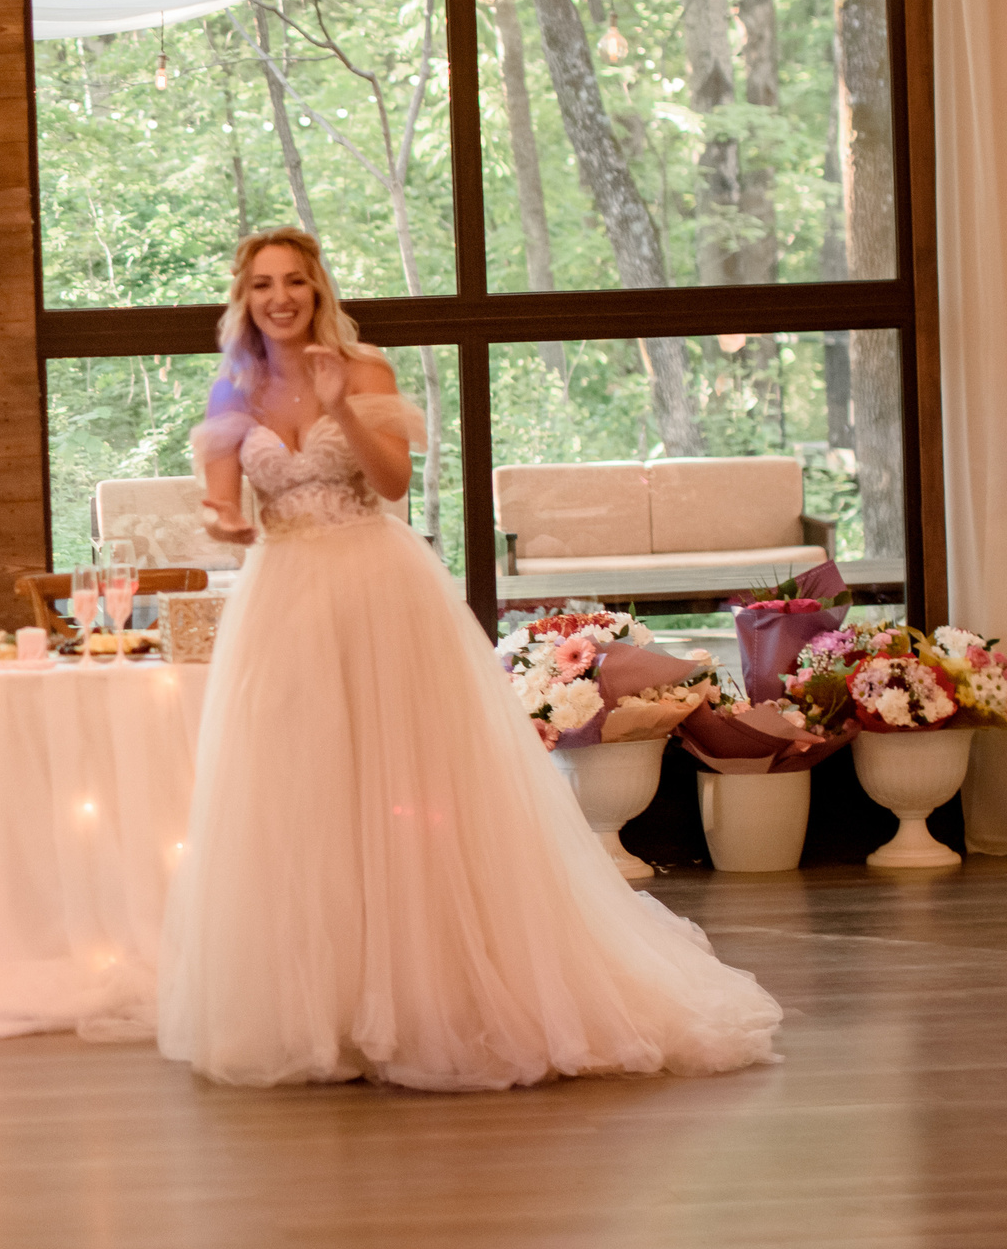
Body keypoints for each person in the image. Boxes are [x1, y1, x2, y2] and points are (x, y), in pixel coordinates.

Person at [151, 228, 783, 1092]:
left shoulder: (362, 367)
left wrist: (337, 407)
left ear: (317, 287)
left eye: (295, 280)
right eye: (263, 283)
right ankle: (324, 1007)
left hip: (379, 589)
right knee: (300, 791)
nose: (280, 296)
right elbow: (227, 509)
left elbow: (393, 483)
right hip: (287, 597)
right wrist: (221, 517)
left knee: (407, 782)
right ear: (245, 296)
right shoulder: (236, 386)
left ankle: (424, 991)